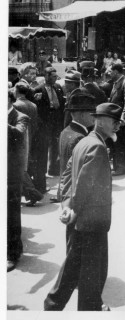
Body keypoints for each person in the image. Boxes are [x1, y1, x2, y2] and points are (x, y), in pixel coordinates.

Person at [44, 103, 122, 311]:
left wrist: (67, 207)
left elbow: (68, 175)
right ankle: (87, 309)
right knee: (92, 272)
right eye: (114, 121)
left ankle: (54, 305)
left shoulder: (85, 141)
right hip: (91, 220)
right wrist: (74, 208)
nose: (117, 126)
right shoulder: (96, 146)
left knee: (74, 267)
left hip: (80, 219)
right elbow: (84, 184)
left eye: (118, 122)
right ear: (101, 121)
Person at [55, 92, 96, 204]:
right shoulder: (80, 137)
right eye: (92, 113)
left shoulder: (65, 131)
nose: (94, 117)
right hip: (76, 195)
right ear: (82, 115)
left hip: (66, 190)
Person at [32, 67, 65, 194]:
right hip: (45, 122)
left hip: (56, 119)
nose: (55, 78)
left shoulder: (58, 87)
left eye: (56, 76)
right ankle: (43, 172)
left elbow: (61, 102)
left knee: (55, 144)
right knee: (44, 146)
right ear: (46, 76)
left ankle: (53, 168)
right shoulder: (38, 89)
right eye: (52, 76)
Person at [7, 90, 29, 272]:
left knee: (11, 215)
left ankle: (13, 253)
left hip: (12, 174)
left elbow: (18, 135)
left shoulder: (21, 117)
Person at [13, 83, 43, 206]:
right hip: (29, 138)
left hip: (18, 139)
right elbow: (35, 124)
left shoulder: (16, 105)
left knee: (18, 168)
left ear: (17, 91)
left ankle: (32, 193)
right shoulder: (33, 105)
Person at [108, 63, 125, 176]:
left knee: (121, 144)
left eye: (111, 71)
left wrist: (123, 118)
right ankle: (117, 167)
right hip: (114, 118)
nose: (109, 73)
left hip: (120, 120)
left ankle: (122, 168)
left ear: (116, 72)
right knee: (116, 143)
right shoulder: (116, 83)